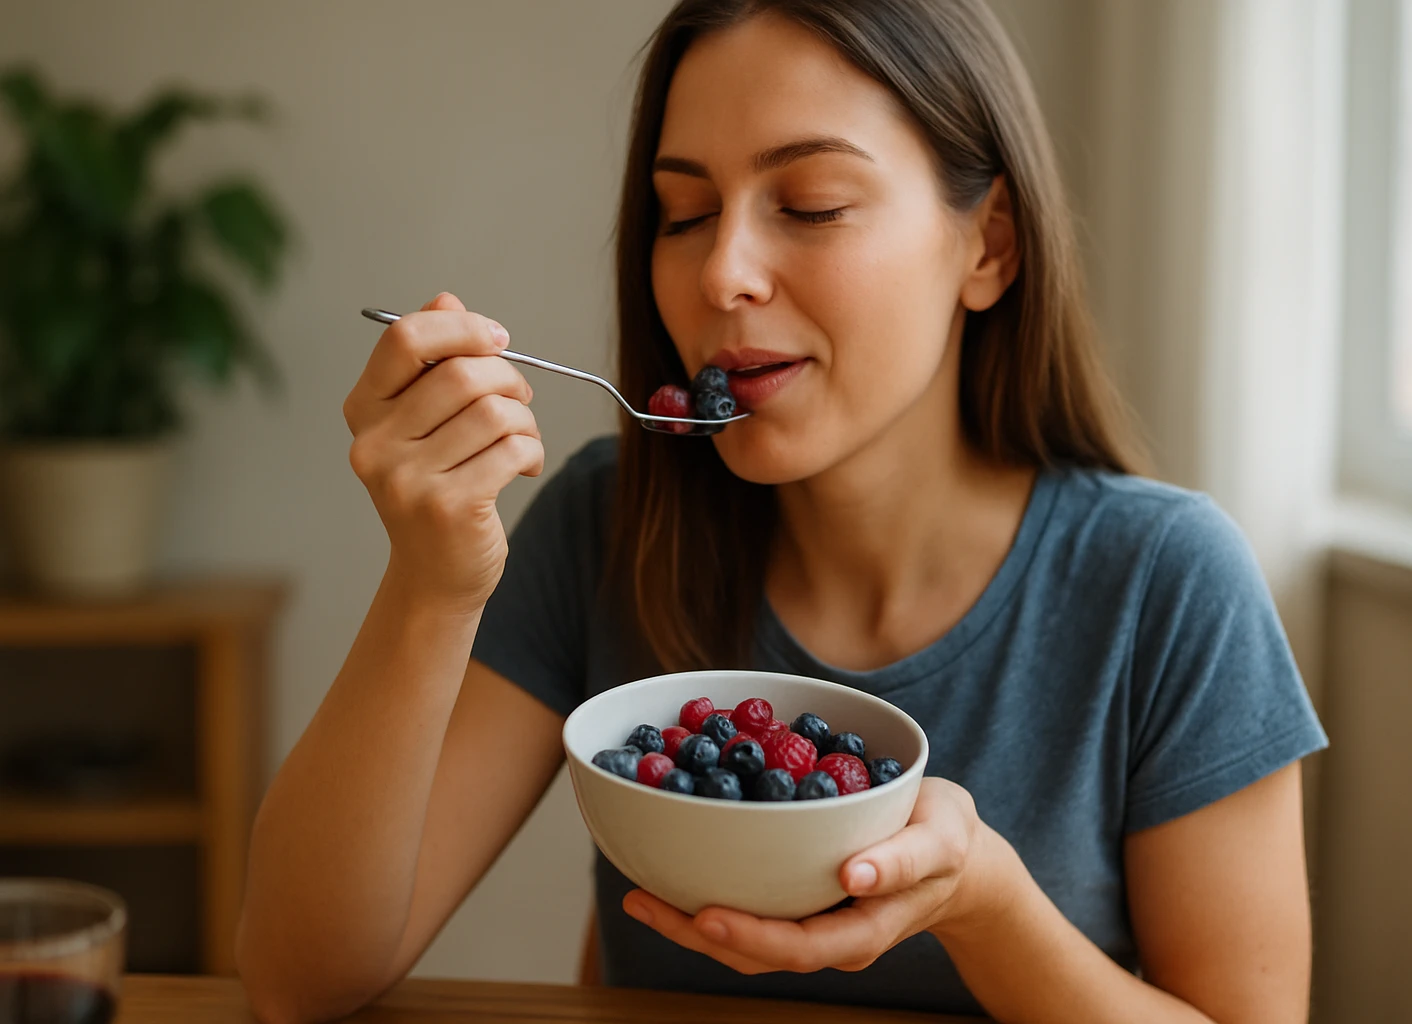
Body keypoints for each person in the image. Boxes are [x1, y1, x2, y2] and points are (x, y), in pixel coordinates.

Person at [236, 1, 1327, 1021]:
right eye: (685, 212)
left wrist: (988, 906)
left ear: (988, 245)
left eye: (808, 204)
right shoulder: (605, 524)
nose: (723, 274)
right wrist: (431, 583)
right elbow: (297, 977)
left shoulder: (1168, 585)